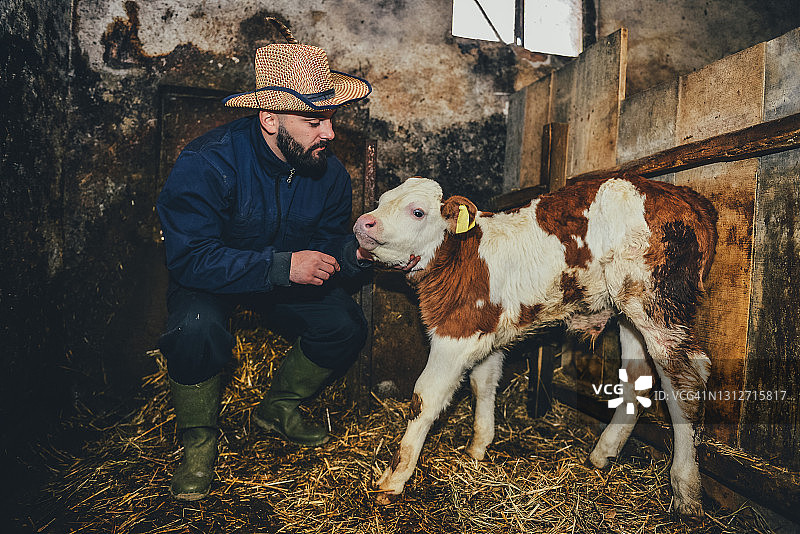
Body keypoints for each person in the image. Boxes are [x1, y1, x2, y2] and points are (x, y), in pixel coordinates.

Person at [156, 22, 417, 502]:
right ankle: (198, 442)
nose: (330, 133)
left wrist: (357, 254)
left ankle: (277, 409)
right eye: (314, 122)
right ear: (270, 119)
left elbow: (327, 247)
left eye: (330, 119)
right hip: (211, 280)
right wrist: (281, 266)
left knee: (345, 325)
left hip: (281, 282)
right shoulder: (209, 161)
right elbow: (191, 258)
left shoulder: (329, 174)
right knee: (194, 329)